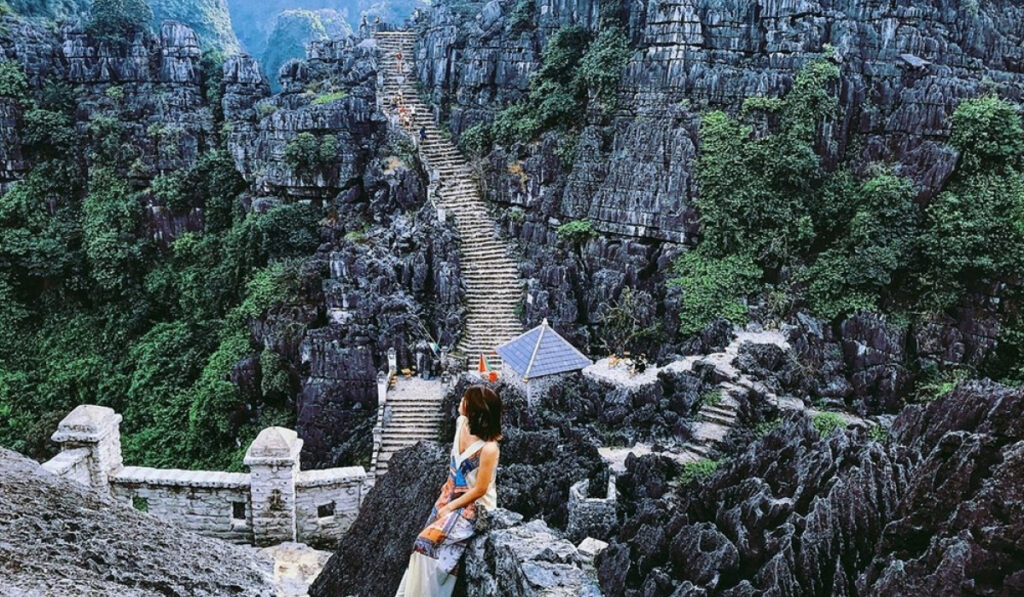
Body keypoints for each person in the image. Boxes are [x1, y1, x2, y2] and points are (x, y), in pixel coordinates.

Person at [395, 386, 502, 597]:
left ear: (475, 409)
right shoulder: (461, 423)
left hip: (475, 507)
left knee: (425, 543)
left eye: (465, 399)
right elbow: (455, 463)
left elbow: (481, 489)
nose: (461, 400)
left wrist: (451, 506)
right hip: (451, 494)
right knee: (423, 545)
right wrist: (447, 494)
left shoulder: (489, 448)